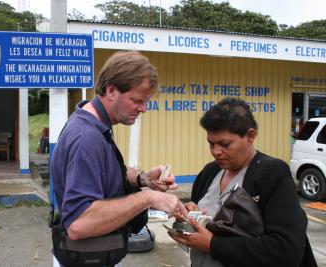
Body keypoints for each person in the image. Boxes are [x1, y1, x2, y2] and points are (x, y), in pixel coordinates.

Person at [50, 50, 187, 266]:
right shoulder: (87, 138)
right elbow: (78, 223)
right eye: (137, 100)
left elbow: (104, 172)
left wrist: (143, 179)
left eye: (146, 101)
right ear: (111, 90)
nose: (143, 109)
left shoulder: (94, 122)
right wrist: (148, 198)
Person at [168, 98, 317, 267]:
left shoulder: (271, 174)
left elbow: (286, 249)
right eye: (211, 143)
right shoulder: (209, 172)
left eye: (225, 144)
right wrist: (190, 216)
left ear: (250, 136)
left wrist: (213, 245)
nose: (216, 152)